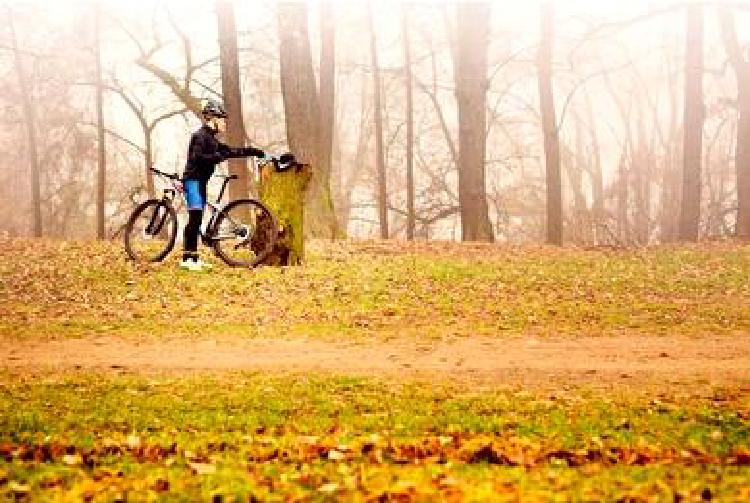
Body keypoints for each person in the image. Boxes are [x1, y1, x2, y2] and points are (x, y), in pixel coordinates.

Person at [180, 98, 266, 271]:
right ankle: (187, 259)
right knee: (195, 219)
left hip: (202, 182)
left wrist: (252, 152)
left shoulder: (212, 140)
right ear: (212, 118)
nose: (225, 123)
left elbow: (230, 151)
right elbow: (197, 158)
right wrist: (218, 157)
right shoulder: (199, 136)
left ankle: (193, 259)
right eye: (222, 120)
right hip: (193, 181)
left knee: (196, 219)